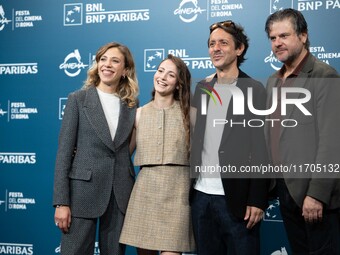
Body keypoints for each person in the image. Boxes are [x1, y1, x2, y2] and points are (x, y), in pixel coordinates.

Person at [264, 8, 340, 254]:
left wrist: (317, 194)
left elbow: (332, 141)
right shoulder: (273, 81)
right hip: (285, 189)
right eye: (273, 38)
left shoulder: (324, 75)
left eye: (284, 36)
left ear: (303, 36)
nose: (277, 43)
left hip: (313, 193)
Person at [190, 20, 269, 255]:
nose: (216, 48)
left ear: (239, 49)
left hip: (238, 199)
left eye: (223, 43)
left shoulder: (254, 89)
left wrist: (257, 199)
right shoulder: (202, 88)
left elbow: (262, 149)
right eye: (212, 44)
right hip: (201, 198)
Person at [53, 42, 139, 255]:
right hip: (82, 191)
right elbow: (64, 154)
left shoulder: (131, 105)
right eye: (103, 59)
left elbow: (124, 150)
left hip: (119, 192)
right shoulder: (78, 100)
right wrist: (61, 202)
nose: (107, 65)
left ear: (125, 70)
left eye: (115, 60)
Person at [119, 54, 195, 255]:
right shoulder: (139, 113)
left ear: (179, 84)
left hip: (178, 193)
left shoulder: (191, 114)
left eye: (170, 75)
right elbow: (123, 154)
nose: (162, 77)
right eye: (160, 71)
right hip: (145, 191)